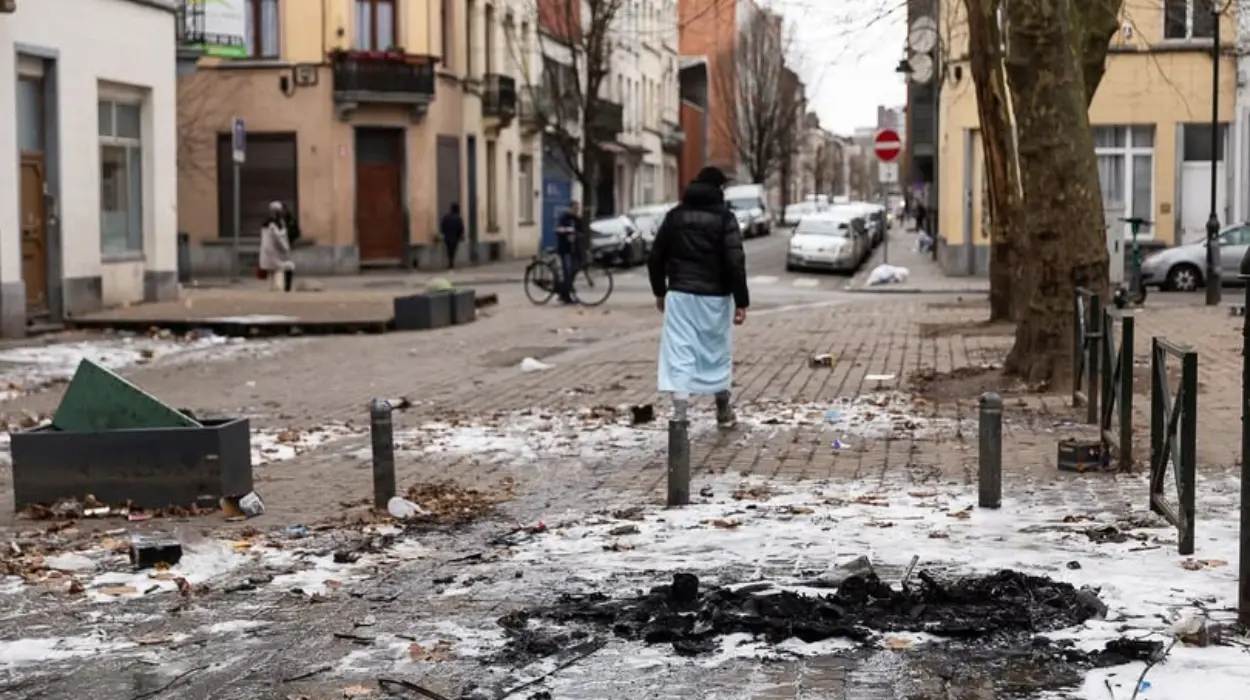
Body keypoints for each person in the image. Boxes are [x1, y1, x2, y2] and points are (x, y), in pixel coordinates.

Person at [647, 166, 750, 430]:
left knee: (679, 350)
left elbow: (655, 257)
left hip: (680, 293)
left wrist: (660, 291)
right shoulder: (725, 219)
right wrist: (741, 300)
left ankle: (680, 414)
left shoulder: (674, 217)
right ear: (718, 190)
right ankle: (723, 410)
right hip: (715, 297)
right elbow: (735, 260)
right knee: (716, 352)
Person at [259, 201, 296, 292]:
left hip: (267, 255)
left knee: (273, 272)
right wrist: (286, 248)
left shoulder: (265, 224)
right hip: (275, 255)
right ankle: (280, 290)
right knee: (284, 268)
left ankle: (273, 288)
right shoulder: (274, 225)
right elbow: (279, 239)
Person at [555, 201, 586, 304]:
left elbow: (582, 232)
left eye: (577, 209)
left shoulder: (578, 220)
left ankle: (565, 290)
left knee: (574, 269)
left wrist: (579, 235)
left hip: (574, 249)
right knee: (567, 271)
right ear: (570, 208)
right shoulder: (564, 218)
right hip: (565, 249)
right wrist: (567, 230)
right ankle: (565, 295)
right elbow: (558, 229)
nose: (576, 211)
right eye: (574, 208)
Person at [440, 203, 465, 270]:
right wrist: (461, 236)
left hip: (447, 237)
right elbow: (461, 228)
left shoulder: (446, 217)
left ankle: (450, 262)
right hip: (455, 237)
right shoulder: (458, 218)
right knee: (453, 250)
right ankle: (451, 262)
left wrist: (443, 233)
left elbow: (442, 226)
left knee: (449, 249)